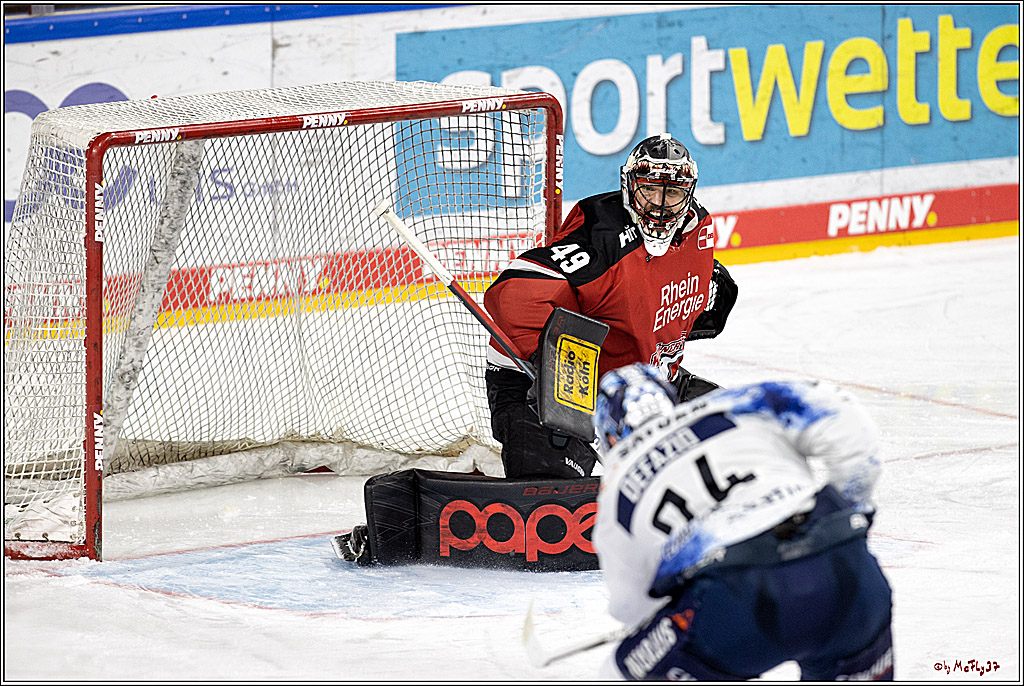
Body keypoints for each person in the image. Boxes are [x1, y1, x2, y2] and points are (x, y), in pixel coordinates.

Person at [591, 364, 893, 681]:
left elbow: (632, 606)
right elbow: (844, 418)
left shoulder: (618, 484)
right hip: (847, 572)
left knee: (619, 672)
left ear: (611, 435)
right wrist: (848, 515)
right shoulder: (734, 403)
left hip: (737, 601)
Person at [483, 134, 738, 480]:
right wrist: (571, 373)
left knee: (736, 438)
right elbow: (509, 297)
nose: (661, 205)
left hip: (641, 383)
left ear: (688, 194)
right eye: (650, 190)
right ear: (629, 186)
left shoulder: (697, 230)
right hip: (540, 383)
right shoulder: (603, 236)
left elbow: (669, 297)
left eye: (673, 193)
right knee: (555, 495)